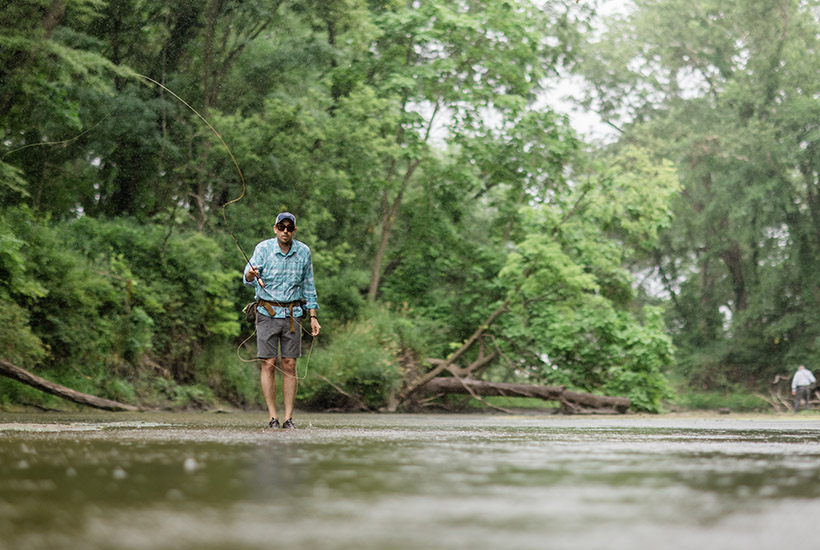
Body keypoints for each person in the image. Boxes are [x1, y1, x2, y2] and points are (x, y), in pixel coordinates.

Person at [243, 212, 321, 429]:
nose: (285, 230)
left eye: (289, 227)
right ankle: (272, 418)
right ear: (275, 228)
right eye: (281, 226)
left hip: (293, 315)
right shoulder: (262, 249)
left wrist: (313, 317)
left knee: (290, 364)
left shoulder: (304, 252)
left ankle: (288, 418)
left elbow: (309, 287)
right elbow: (247, 279)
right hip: (266, 313)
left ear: (294, 230)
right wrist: (251, 275)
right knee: (269, 364)